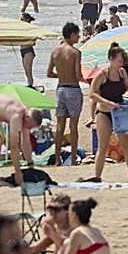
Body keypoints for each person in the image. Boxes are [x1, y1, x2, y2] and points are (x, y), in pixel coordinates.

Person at [87, 44, 128, 183]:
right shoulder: (102, 74)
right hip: (104, 112)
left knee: (126, 145)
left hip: (120, 112)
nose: (121, 64)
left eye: (122, 61)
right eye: (119, 61)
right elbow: (92, 94)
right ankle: (97, 176)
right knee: (103, 146)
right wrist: (107, 103)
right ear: (111, 59)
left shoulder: (122, 73)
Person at [47, 22, 84, 167]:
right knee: (73, 126)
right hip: (73, 89)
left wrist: (62, 75)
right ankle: (73, 159)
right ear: (72, 34)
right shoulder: (75, 52)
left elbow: (49, 73)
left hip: (60, 88)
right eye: (77, 34)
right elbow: (77, 75)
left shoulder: (55, 51)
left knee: (60, 126)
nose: (79, 37)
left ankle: (57, 159)